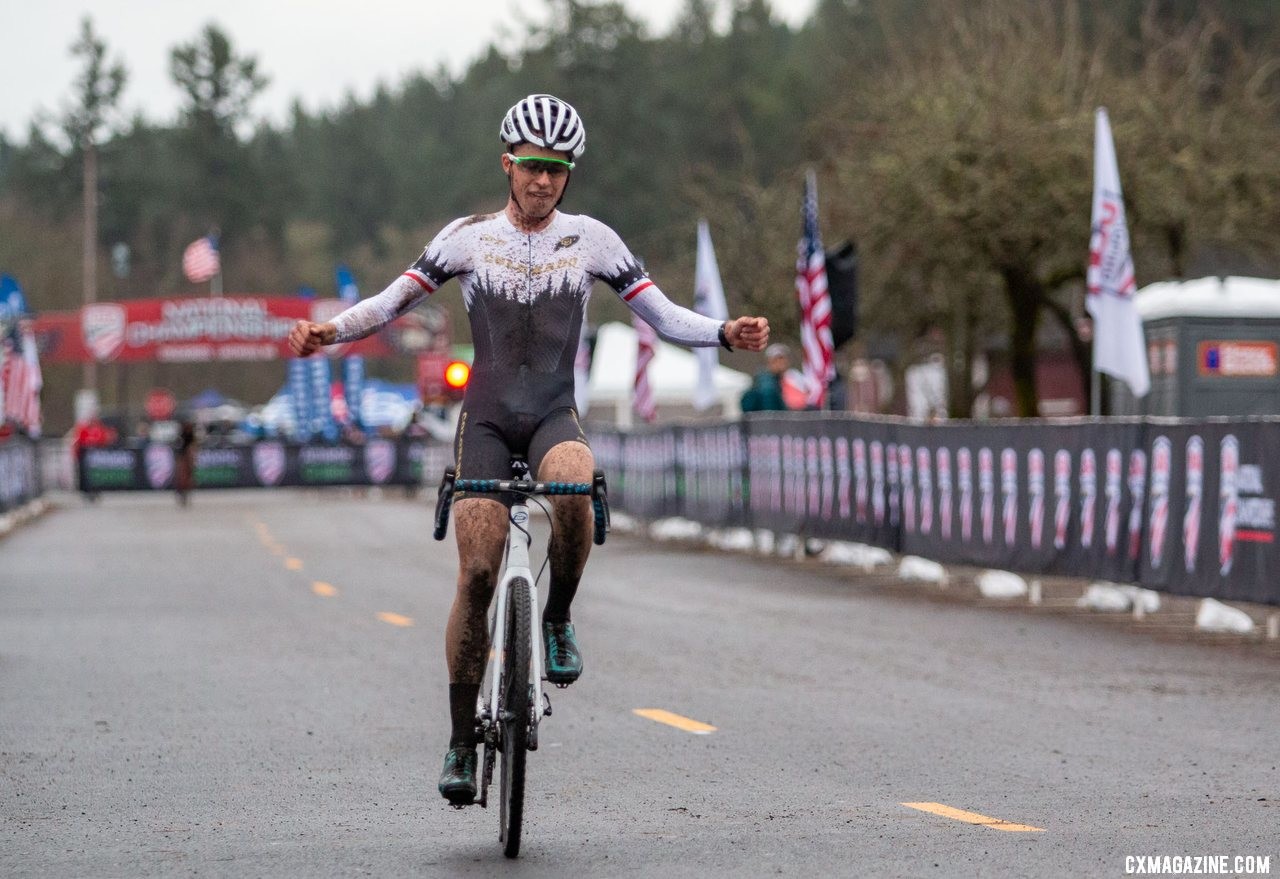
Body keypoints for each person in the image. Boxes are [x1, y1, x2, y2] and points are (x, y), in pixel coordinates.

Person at [287, 94, 770, 806]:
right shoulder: (468, 238)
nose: (544, 181)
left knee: (576, 480)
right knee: (478, 570)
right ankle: (458, 738)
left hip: (551, 412)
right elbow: (391, 302)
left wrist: (726, 332)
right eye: (533, 167)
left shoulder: (593, 240)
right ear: (508, 165)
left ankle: (557, 616)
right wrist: (329, 331)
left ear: (569, 174)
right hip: (483, 419)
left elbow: (662, 314)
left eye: (558, 169)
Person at [741, 343, 808, 412]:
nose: (780, 363)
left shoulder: (794, 377)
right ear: (769, 361)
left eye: (782, 359)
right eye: (776, 360)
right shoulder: (764, 381)